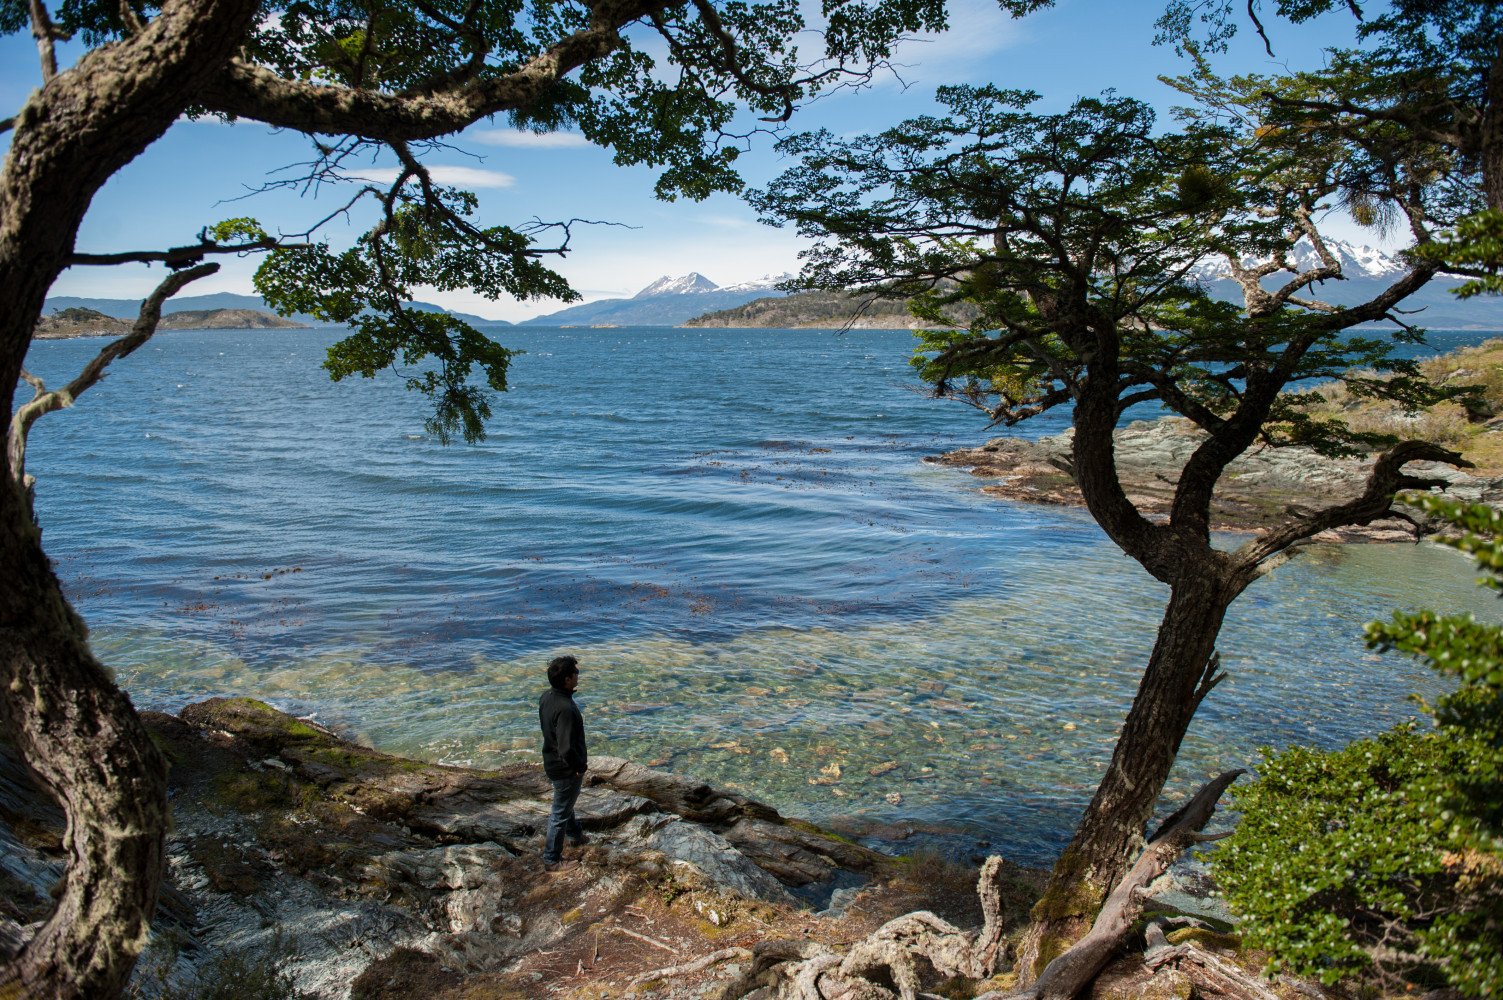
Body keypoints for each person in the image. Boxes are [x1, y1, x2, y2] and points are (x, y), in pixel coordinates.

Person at [539, 654, 588, 872]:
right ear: (567, 679)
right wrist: (579, 767)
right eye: (575, 673)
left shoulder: (547, 697)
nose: (578, 675)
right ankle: (552, 859)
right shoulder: (566, 708)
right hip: (565, 769)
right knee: (559, 813)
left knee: (566, 803)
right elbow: (566, 748)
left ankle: (575, 834)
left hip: (551, 761)